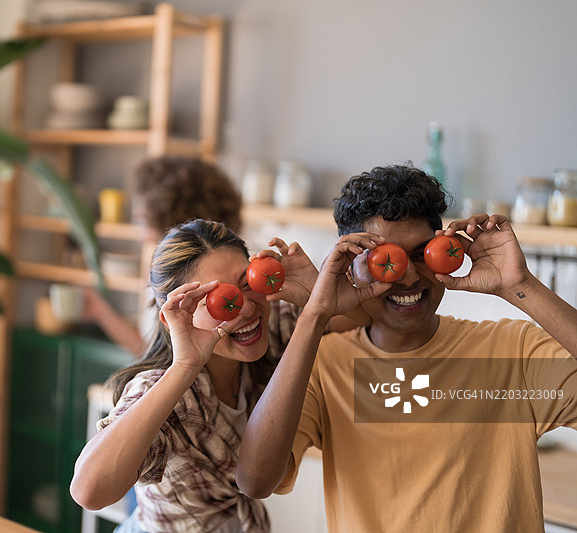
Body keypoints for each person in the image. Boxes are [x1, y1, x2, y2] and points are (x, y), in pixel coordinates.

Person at [236, 164, 577, 532]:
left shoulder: (512, 351)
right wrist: (315, 313)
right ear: (349, 268)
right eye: (385, 261)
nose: (410, 277)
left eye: (420, 254)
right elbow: (255, 481)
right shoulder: (326, 365)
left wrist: (519, 284)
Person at [71, 218, 323, 532]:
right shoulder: (162, 389)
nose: (244, 309)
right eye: (222, 301)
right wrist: (184, 367)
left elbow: (355, 319)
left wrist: (315, 291)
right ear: (179, 315)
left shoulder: (272, 329)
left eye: (247, 284)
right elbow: (88, 492)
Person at [82, 156, 244, 356]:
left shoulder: (188, 279)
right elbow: (150, 349)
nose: (137, 214)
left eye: (145, 204)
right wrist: (100, 311)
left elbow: (152, 353)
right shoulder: (168, 269)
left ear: (170, 211)